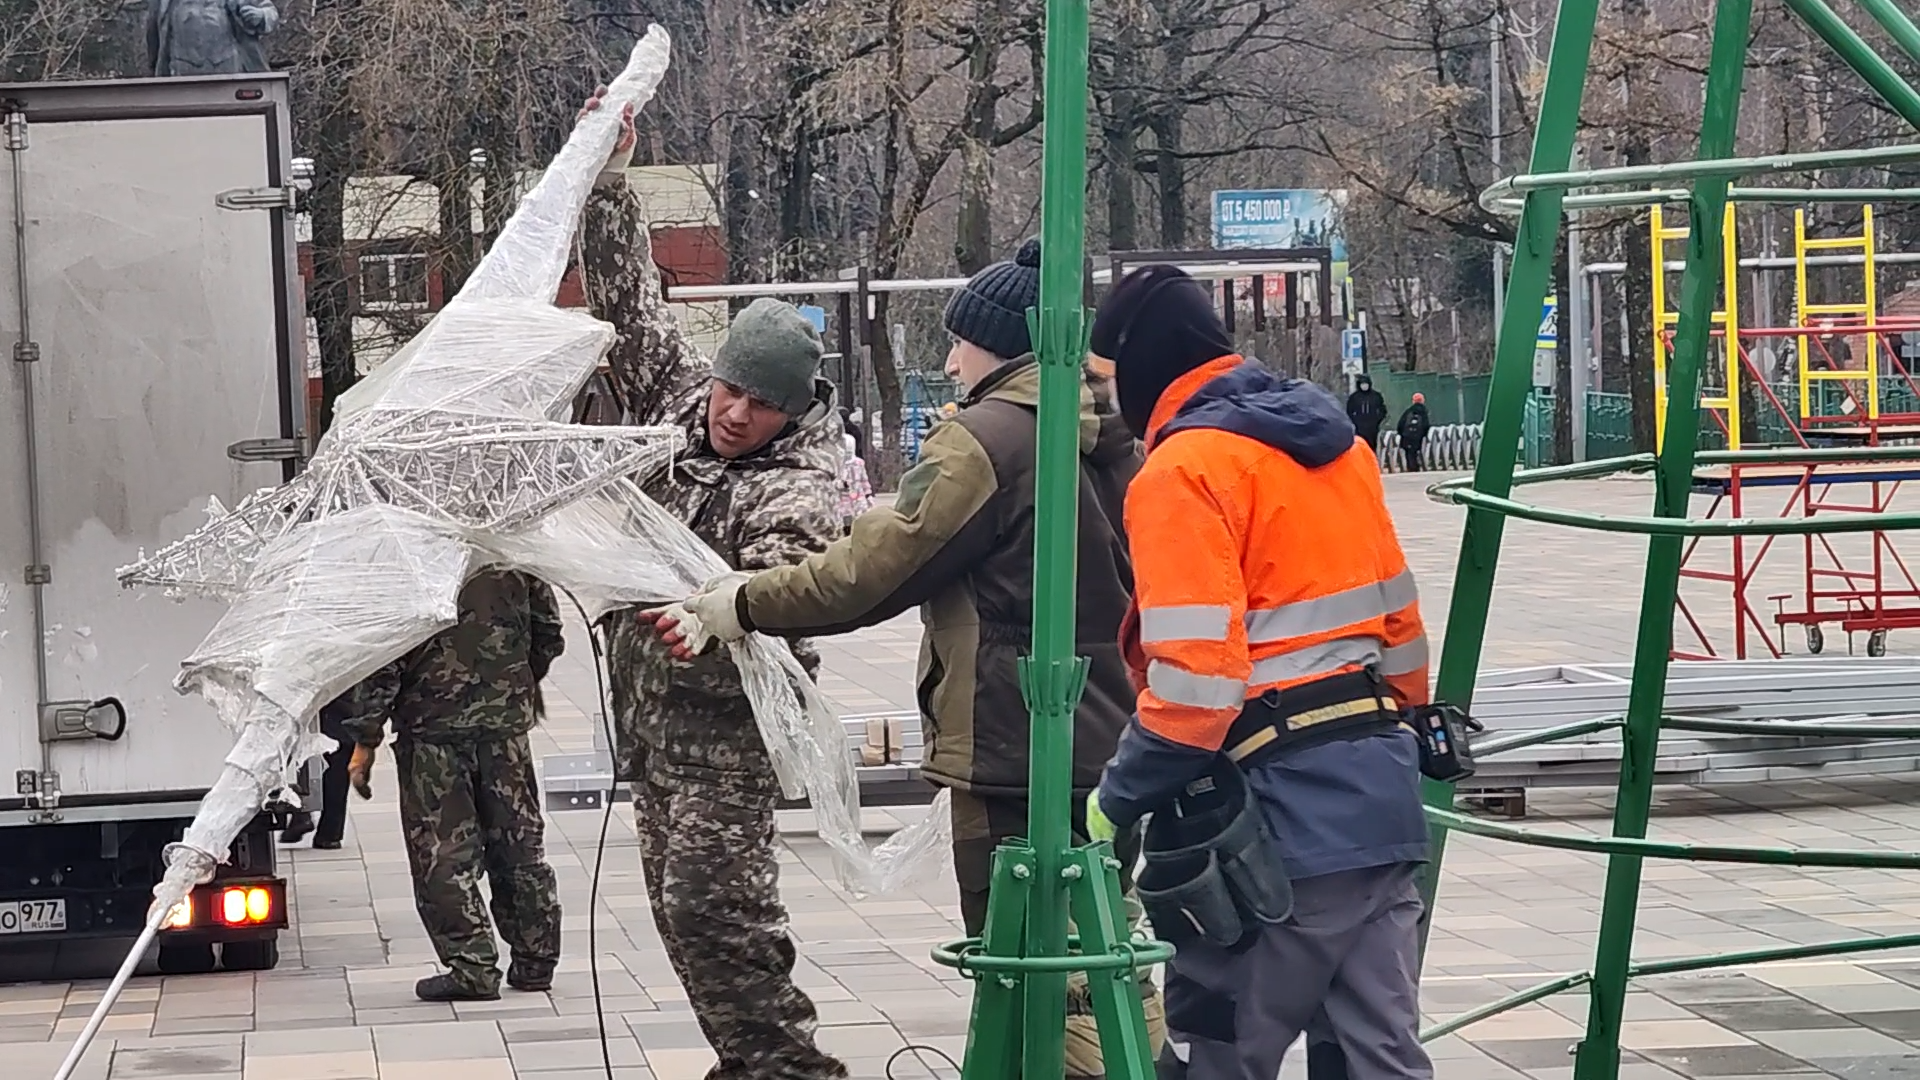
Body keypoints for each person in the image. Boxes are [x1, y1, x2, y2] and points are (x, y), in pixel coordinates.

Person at [650, 238, 1167, 1075]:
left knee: (1037, 968)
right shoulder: (1109, 431)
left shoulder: (989, 438)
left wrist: (740, 602)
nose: (953, 361)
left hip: (1013, 737)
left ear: (1001, 345)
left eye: (962, 342)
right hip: (1111, 729)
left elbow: (874, 571)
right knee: (1105, 945)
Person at [1080, 265, 1433, 1079]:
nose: (1102, 399)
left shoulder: (1182, 472)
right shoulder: (1340, 451)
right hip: (1379, 802)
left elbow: (1195, 690)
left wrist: (1116, 798)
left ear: (1142, 364)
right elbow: (1404, 641)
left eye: (1103, 378)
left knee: (1216, 1051)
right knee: (1376, 1057)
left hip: (1270, 829)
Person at [576, 91, 849, 1080]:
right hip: (653, 730)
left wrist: (721, 615)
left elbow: (787, 580)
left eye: (762, 405)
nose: (736, 415)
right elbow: (628, 304)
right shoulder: (680, 399)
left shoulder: (801, 480)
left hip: (726, 742)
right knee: (683, 916)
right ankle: (750, 1061)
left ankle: (789, 1069)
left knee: (717, 909)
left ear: (794, 410)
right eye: (733, 390)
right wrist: (609, 180)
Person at [339, 569, 566, 1002]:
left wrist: (366, 738)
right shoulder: (510, 554)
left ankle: (473, 966)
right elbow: (549, 632)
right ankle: (535, 960)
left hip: (434, 734)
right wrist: (508, 683)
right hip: (505, 732)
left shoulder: (412, 563)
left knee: (442, 852)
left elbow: (386, 657)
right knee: (518, 844)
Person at [278, 698, 352, 850]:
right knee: (338, 755)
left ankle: (301, 811)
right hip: (346, 697)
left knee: (298, 743)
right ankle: (330, 833)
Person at [1345, 374, 1388, 451]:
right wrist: (1355, 421)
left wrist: (1377, 420)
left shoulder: (1376, 396)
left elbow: (1382, 410)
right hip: (1359, 427)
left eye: (1366, 384)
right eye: (1362, 384)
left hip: (1372, 427)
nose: (1364, 386)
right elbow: (1349, 411)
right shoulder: (1354, 397)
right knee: (1360, 446)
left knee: (1372, 446)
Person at [1396, 392, 1432, 472]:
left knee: (1409, 452)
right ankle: (1416, 466)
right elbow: (1426, 425)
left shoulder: (1408, 411)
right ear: (1423, 401)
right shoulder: (1424, 411)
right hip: (1418, 436)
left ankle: (1410, 466)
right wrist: (1424, 435)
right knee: (1415, 451)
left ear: (1413, 401)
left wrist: (1401, 434)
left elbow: (1401, 424)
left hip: (1407, 435)